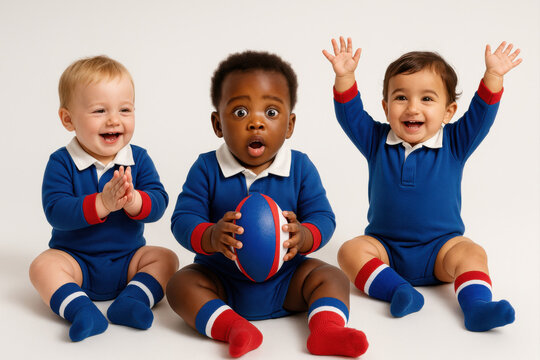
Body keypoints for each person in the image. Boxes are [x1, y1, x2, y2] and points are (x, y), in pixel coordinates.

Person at [166, 51, 368, 358]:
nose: (256, 123)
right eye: (240, 113)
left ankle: (326, 331)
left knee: (332, 277)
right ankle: (233, 328)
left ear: (290, 125)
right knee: (180, 284)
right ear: (217, 123)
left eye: (271, 113)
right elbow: (182, 219)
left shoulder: (300, 167)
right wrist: (210, 235)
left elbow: (323, 217)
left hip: (288, 281)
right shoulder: (206, 168)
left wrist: (305, 235)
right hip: (222, 280)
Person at [323, 37, 521, 331]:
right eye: (401, 98)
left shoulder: (456, 142)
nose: (412, 108)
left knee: (472, 252)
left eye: (427, 99)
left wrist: (493, 77)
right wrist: (345, 77)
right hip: (385, 251)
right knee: (349, 251)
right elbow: (349, 115)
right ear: (386, 106)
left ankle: (477, 307)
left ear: (449, 111)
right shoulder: (376, 141)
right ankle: (399, 291)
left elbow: (481, 116)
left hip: (441, 250)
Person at [29, 56, 179, 341]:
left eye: (125, 109)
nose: (114, 120)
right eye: (99, 110)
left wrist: (133, 201)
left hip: (128, 261)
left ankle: (133, 300)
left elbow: (158, 202)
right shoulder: (62, 162)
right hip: (75, 262)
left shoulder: (139, 159)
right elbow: (55, 210)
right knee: (42, 266)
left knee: (167, 258)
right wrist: (103, 203)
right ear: (68, 119)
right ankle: (80, 309)